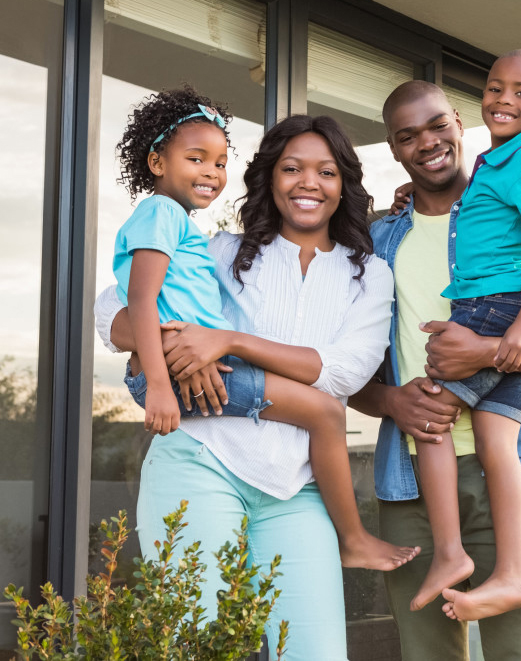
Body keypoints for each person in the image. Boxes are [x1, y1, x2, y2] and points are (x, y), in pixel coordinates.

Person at [96, 113, 412, 658]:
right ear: (270, 178)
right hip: (203, 458)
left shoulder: (369, 274)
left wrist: (227, 341)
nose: (308, 183)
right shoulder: (223, 250)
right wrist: (175, 347)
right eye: (291, 168)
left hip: (298, 488)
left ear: (345, 185)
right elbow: (110, 310)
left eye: (326, 172)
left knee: (315, 652)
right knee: (194, 645)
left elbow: (343, 373)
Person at [349, 78, 521, 658]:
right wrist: (391, 402)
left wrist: (487, 352)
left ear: (461, 123)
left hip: (510, 471)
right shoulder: (378, 241)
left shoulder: (513, 214)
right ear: (393, 149)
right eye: (408, 136)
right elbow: (346, 370)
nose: (428, 143)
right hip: (410, 482)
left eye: (438, 124)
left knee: (519, 653)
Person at [399, 48, 521, 621]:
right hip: (500, 312)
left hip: (496, 309)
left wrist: (511, 333)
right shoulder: (492, 172)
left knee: (428, 418)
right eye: (496, 87)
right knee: (501, 447)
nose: (505, 99)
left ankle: (451, 554)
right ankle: (513, 575)